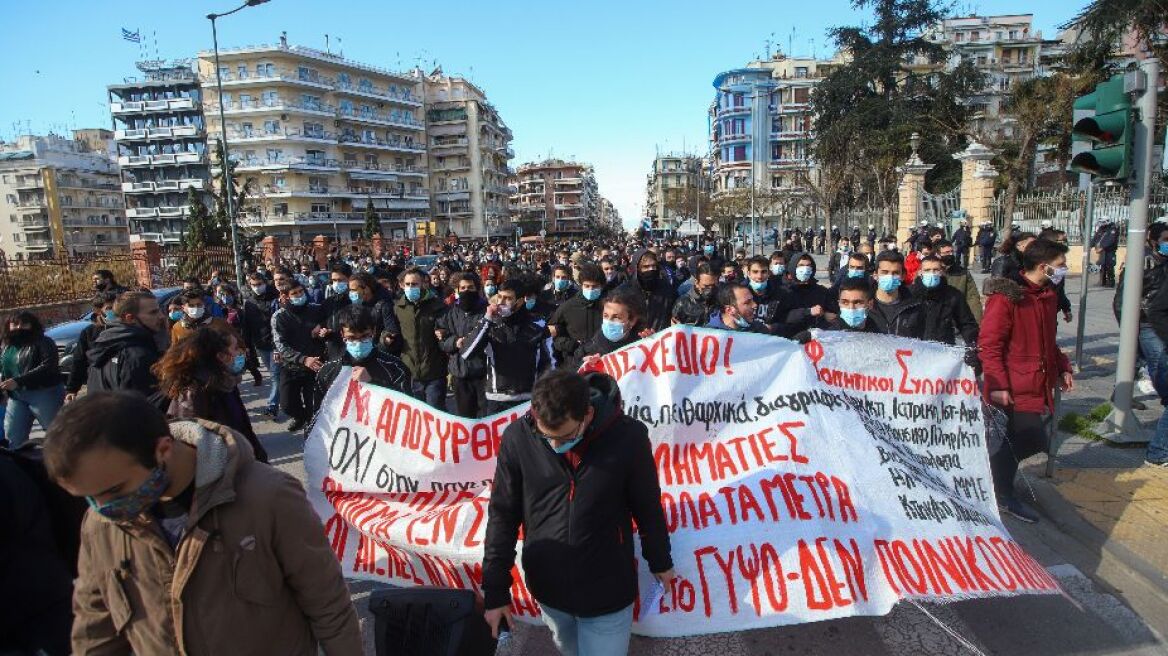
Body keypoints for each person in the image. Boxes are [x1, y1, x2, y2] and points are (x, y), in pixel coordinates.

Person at [42, 392, 363, 655]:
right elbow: (95, 625)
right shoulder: (102, 523)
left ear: (163, 450)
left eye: (114, 491)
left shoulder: (267, 497)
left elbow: (327, 604)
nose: (104, 509)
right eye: (89, 499)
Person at [482, 370, 674, 656]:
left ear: (587, 413)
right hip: (548, 589)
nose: (557, 446)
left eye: (567, 436)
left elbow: (647, 506)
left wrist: (660, 561)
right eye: (548, 438)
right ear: (535, 414)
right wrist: (495, 592)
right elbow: (502, 516)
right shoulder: (518, 438)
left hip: (607, 591)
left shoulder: (629, 437)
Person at [980, 239, 1074, 522]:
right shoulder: (1007, 298)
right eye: (1059, 265)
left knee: (1019, 439)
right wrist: (997, 385)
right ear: (1043, 266)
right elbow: (990, 344)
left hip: (1037, 381)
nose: (1064, 270)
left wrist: (1062, 367)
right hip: (1013, 384)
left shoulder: (1047, 295)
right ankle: (999, 491)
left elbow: (1048, 341)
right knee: (1031, 438)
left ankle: (997, 486)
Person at [153, 324, 269, 463]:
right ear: (221, 356)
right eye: (235, 348)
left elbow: (241, 426)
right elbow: (190, 444)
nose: (241, 352)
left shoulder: (225, 382)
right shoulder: (195, 392)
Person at [1116, 223, 1168, 467]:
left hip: (1153, 324)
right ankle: (1159, 452)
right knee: (1158, 367)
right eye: (1166, 238)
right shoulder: (1143, 262)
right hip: (1148, 324)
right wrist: (1128, 332)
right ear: (1153, 239)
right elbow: (1124, 300)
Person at [473, 280, 552, 414]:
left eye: (508, 298)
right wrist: (487, 320)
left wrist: (542, 392)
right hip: (497, 399)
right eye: (500, 297)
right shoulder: (489, 323)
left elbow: (549, 361)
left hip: (528, 398)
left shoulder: (538, 324)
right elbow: (467, 353)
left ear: (519, 302)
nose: (501, 302)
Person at [86, 291, 166, 407]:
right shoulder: (137, 356)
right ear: (130, 318)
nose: (161, 316)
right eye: (153, 312)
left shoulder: (106, 343)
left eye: (159, 310)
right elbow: (146, 407)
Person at [317, 305, 411, 398]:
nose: (358, 343)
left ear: (373, 331)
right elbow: (320, 411)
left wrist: (372, 383)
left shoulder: (395, 368)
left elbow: (407, 406)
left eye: (364, 336)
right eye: (352, 338)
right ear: (342, 334)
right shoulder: (328, 371)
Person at [1, 312, 64, 448]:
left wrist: (19, 381)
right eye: (15, 324)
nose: (19, 327)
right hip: (16, 396)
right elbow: (3, 368)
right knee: (13, 437)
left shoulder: (44, 342)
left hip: (44, 393)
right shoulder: (6, 346)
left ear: (32, 325)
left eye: (24, 324)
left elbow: (48, 366)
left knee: (55, 435)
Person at [271, 279, 326, 432]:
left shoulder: (315, 310)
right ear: (286, 296)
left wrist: (322, 327)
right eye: (294, 293)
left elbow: (329, 322)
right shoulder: (279, 316)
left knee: (313, 407)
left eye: (301, 291)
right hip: (291, 367)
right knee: (287, 404)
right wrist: (303, 359)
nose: (299, 295)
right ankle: (299, 417)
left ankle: (311, 434)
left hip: (314, 367)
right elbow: (281, 344)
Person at [393, 267, 448, 409]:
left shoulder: (437, 306)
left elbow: (448, 332)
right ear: (402, 285)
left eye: (415, 284)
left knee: (435, 414)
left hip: (434, 372)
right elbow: (392, 333)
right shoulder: (398, 308)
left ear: (423, 284)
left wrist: (445, 333)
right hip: (409, 373)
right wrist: (386, 338)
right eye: (408, 284)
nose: (411, 287)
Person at [438, 272, 489, 418]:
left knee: (486, 418)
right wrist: (455, 342)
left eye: (471, 287)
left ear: (477, 289)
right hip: (460, 374)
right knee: (465, 418)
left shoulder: (487, 311)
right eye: (463, 288)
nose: (467, 291)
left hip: (483, 374)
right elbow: (442, 341)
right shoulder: (450, 312)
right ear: (457, 290)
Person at [548, 264, 606, 371]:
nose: (590, 290)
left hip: (603, 363)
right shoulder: (567, 307)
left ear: (601, 286)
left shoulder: (609, 306)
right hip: (574, 365)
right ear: (581, 285)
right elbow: (552, 334)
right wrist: (571, 345)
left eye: (595, 287)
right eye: (587, 286)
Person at [913, 256, 979, 346]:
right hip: (913, 350)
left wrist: (973, 344)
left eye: (935, 270)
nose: (932, 273)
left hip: (943, 350)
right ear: (920, 272)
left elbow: (966, 324)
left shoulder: (953, 295)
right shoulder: (910, 294)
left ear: (941, 272)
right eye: (927, 270)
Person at [65, 292, 118, 403]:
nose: (114, 310)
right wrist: (72, 389)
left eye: (116, 306)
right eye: (109, 308)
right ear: (98, 311)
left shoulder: (128, 327)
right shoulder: (90, 332)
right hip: (98, 386)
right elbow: (79, 361)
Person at [868, 251, 925, 338]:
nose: (890, 277)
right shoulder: (864, 306)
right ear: (875, 275)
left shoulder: (914, 307)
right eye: (885, 272)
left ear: (903, 276)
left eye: (895, 273)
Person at [580, 288, 647, 361]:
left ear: (632, 320)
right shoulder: (591, 347)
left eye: (616, 317)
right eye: (606, 316)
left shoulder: (642, 343)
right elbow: (573, 366)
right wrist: (584, 362)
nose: (609, 322)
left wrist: (652, 344)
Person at [620, 249, 677, 332]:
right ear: (637, 269)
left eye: (654, 266)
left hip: (659, 340)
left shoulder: (667, 289)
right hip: (634, 342)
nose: (651, 269)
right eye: (646, 267)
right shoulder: (625, 292)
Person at [779, 253, 834, 337]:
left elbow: (833, 311)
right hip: (791, 338)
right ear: (793, 268)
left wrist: (827, 315)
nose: (805, 269)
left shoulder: (821, 291)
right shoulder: (784, 291)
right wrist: (808, 312)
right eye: (801, 265)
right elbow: (782, 316)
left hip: (818, 339)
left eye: (808, 265)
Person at [936, 240, 983, 322]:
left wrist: (977, 321)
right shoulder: (930, 272)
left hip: (958, 318)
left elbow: (972, 297)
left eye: (951, 251)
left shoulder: (962, 272)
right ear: (938, 255)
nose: (950, 254)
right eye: (946, 252)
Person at [1092, 218, 1120, 287]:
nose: (1101, 223)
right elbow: (1095, 238)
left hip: (1109, 250)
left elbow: (1110, 240)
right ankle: (1102, 281)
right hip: (1102, 251)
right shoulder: (1101, 228)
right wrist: (1089, 245)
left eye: (1103, 222)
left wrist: (1102, 247)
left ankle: (1110, 282)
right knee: (1102, 265)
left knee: (1109, 265)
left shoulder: (1113, 229)